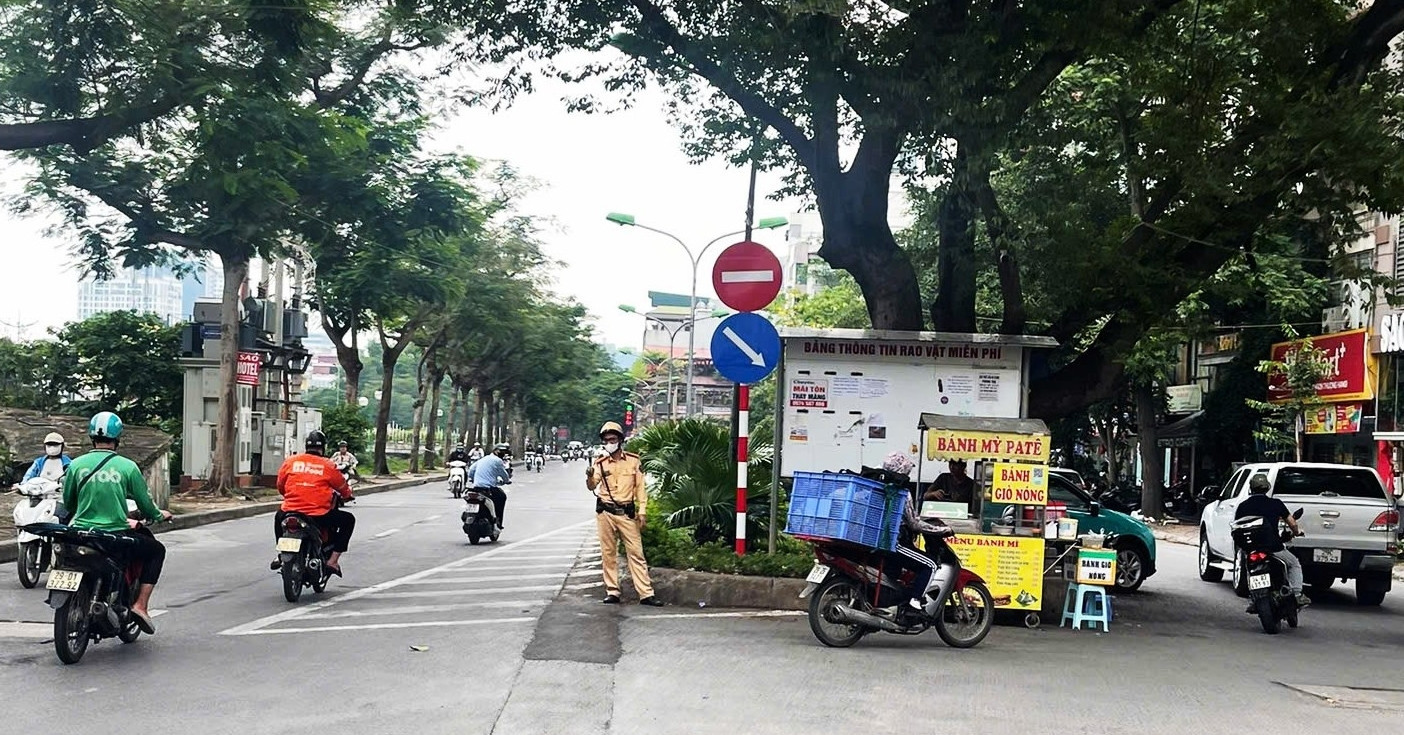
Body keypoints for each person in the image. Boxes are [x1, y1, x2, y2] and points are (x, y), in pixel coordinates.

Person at [63, 412, 171, 634]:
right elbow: (146, 503)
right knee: (156, 550)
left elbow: (68, 502)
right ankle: (140, 605)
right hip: (114, 535)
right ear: (117, 437)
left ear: (92, 436)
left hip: (80, 533)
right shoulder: (127, 466)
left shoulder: (76, 465)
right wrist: (160, 515)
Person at [586, 422, 664, 607]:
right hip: (605, 512)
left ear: (620, 440)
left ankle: (646, 594)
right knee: (608, 553)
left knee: (636, 553)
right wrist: (589, 476)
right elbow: (592, 485)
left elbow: (640, 488)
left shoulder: (633, 461)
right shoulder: (600, 463)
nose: (609, 443)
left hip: (626, 513)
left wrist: (642, 511)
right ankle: (612, 591)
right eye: (606, 440)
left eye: (612, 439)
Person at [877, 452, 955, 623]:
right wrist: (940, 530)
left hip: (876, 543)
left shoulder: (876, 486)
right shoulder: (901, 492)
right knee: (930, 565)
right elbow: (914, 524)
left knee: (898, 573)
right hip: (894, 543)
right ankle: (914, 604)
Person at [273, 430, 355, 576]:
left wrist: (289, 495)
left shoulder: (291, 461)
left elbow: (280, 485)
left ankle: (280, 553)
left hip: (289, 510)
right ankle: (333, 561)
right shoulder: (328, 465)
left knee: (278, 518)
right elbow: (343, 488)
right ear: (323, 447)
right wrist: (348, 495)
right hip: (318, 514)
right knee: (348, 520)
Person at [1235, 474, 1309, 608]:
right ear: (1267, 488)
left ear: (1251, 488)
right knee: (1294, 564)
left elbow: (1237, 526)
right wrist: (1297, 532)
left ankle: (1253, 599)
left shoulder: (1243, 506)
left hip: (1252, 549)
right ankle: (1297, 595)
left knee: (1249, 570)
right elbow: (1291, 522)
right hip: (1273, 546)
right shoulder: (1275, 503)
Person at [467, 443, 512, 529]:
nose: (502, 453)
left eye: (504, 451)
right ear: (495, 451)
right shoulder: (498, 461)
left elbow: (471, 470)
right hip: (488, 489)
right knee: (502, 497)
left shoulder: (483, 459)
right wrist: (507, 481)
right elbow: (503, 474)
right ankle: (497, 522)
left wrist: (473, 479)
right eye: (500, 451)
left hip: (477, 488)